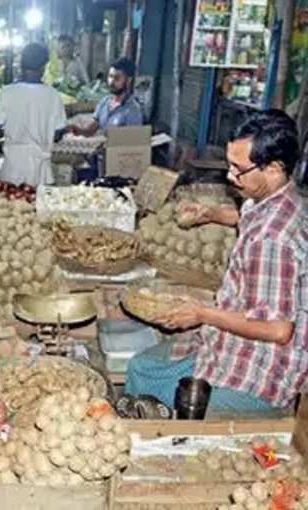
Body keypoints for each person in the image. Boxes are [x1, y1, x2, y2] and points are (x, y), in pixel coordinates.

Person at [125, 110, 308, 413]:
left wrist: (202, 313)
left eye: (239, 169)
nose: (229, 176)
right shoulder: (280, 200)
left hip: (258, 371)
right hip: (227, 341)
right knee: (142, 369)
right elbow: (248, 216)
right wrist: (212, 214)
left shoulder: (272, 240)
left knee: (175, 404)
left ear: (274, 168)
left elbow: (277, 330)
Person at [0, 43, 78, 186]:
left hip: (12, 170)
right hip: (41, 172)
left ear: (21, 64)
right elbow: (57, 135)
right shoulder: (53, 96)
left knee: (12, 205)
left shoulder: (6, 93)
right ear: (44, 66)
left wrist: (12, 135)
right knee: (39, 206)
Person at [78, 57, 144, 137]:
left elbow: (130, 143)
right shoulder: (105, 101)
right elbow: (90, 130)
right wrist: (77, 130)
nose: (111, 82)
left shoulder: (133, 111)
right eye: (110, 76)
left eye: (117, 78)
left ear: (128, 80)